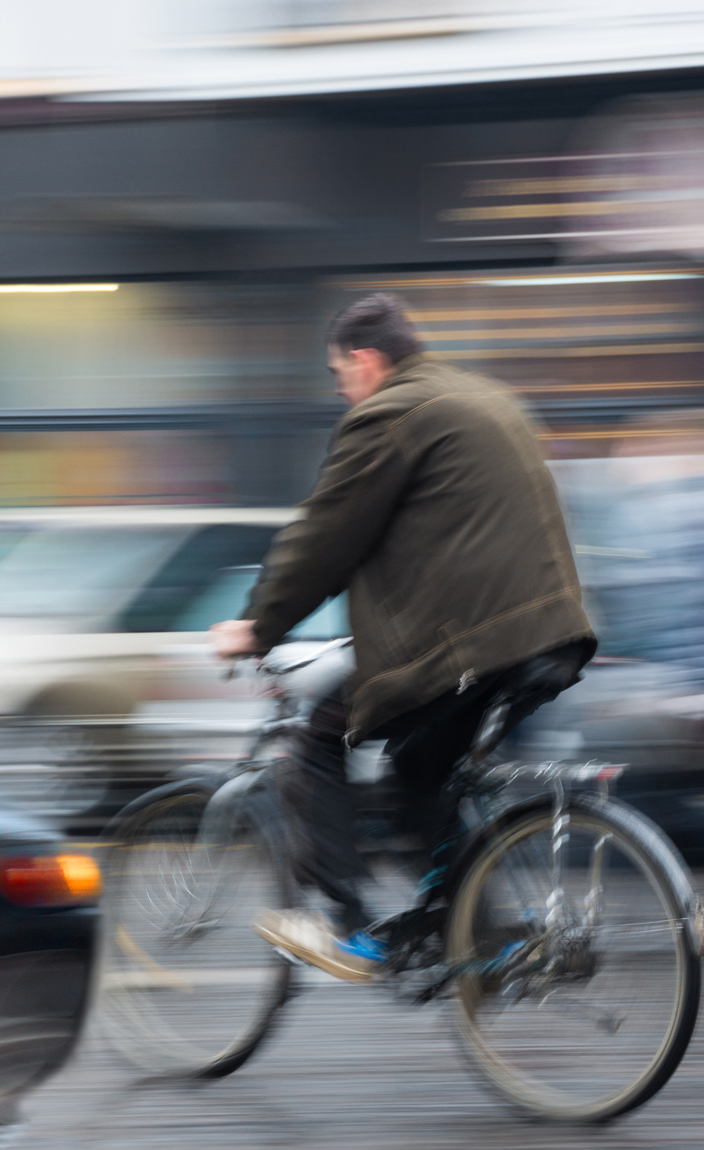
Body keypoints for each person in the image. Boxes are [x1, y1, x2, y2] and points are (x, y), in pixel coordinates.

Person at [209, 294, 596, 982]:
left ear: (365, 360)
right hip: (551, 632)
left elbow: (324, 536)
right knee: (422, 772)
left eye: (338, 375)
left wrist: (257, 626)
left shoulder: (391, 413)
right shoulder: (481, 395)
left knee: (321, 742)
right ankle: (482, 934)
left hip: (473, 640)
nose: (340, 391)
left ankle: (350, 927)